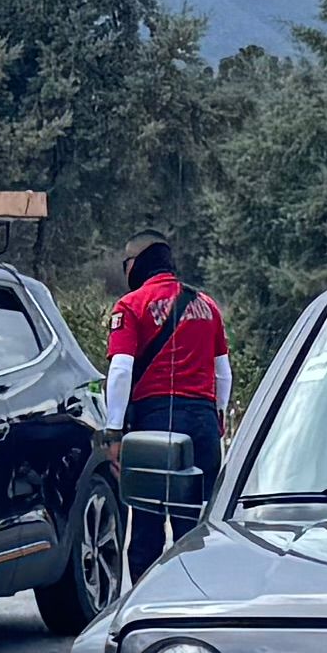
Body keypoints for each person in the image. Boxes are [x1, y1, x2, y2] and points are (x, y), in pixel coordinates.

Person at [97, 232, 230, 586]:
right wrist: (216, 418)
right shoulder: (208, 305)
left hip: (154, 424)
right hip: (203, 423)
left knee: (147, 525)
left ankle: (149, 599)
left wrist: (114, 432)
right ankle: (196, 599)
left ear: (136, 264)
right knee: (196, 527)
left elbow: (121, 369)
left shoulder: (131, 305)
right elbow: (223, 373)